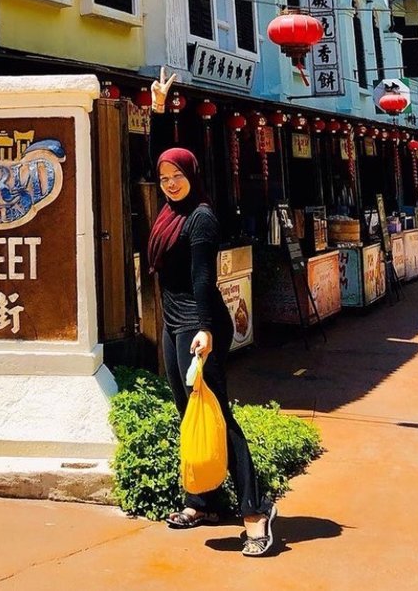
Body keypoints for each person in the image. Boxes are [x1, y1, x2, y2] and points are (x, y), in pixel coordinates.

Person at [147, 68, 276, 558]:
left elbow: (204, 279)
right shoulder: (169, 212)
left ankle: (255, 513)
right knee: (190, 413)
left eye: (177, 176)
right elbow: (161, 155)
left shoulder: (200, 218)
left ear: (193, 176)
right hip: (174, 322)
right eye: (165, 179)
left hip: (199, 323)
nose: (169, 183)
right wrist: (159, 110)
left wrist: (205, 330)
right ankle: (202, 501)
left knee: (218, 414)